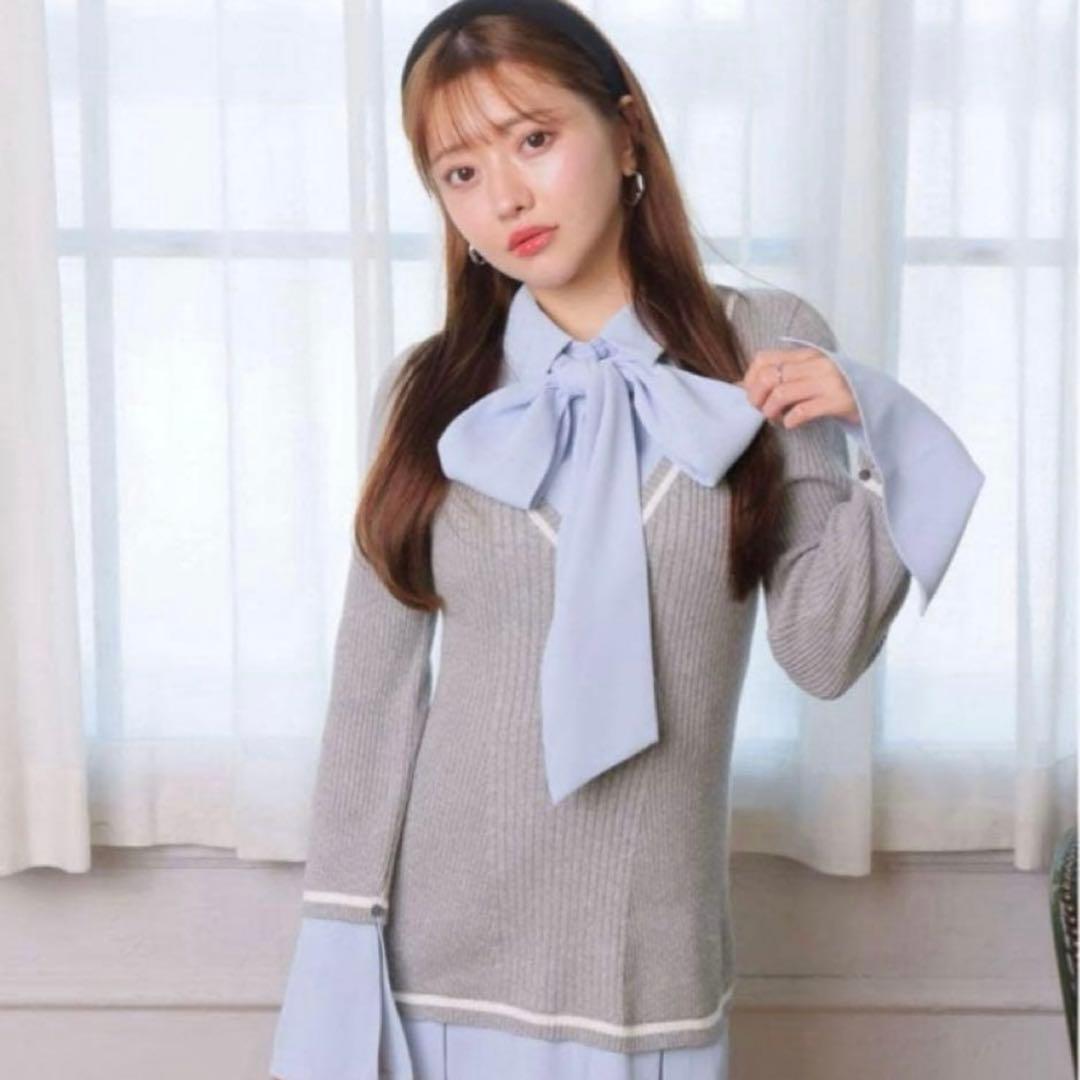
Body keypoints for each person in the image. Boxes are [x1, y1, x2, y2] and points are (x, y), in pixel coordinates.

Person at [268, 1, 985, 1077]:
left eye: (534, 139)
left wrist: (878, 433)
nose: (504, 196)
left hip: (647, 973)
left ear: (627, 132)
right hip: (436, 968)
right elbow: (372, 696)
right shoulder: (430, 390)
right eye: (460, 171)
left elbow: (823, 649)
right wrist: (335, 948)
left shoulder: (764, 344)